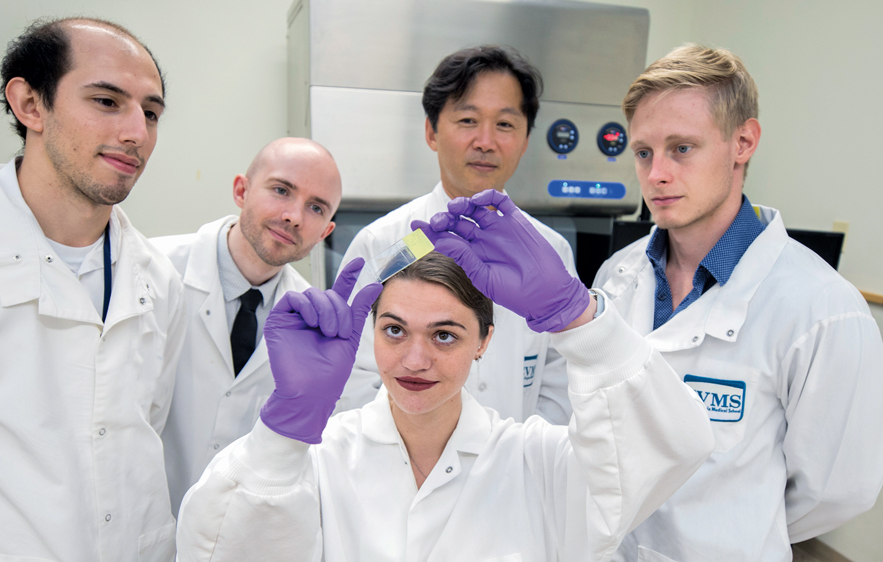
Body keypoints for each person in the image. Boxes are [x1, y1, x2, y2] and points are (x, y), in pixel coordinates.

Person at [175, 190, 714, 561]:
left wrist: (579, 317)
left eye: (445, 335)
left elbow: (675, 445)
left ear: (485, 341)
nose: (414, 360)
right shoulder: (317, 464)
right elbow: (216, 548)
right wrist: (284, 426)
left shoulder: (539, 464)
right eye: (393, 330)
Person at [0, 18, 186, 561]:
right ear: (30, 104)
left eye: (150, 113)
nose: (137, 133)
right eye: (106, 101)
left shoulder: (158, 281)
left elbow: (143, 437)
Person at [592, 44, 883, 562]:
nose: (656, 174)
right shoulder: (617, 277)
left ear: (743, 142)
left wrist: (738, 525)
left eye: (682, 148)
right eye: (643, 152)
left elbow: (835, 491)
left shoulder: (822, 308)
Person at [339, 45, 579, 425]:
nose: (485, 141)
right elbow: (353, 375)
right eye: (468, 120)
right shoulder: (384, 244)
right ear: (432, 132)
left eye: (505, 124)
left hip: (514, 471)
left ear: (525, 140)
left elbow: (560, 377)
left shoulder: (551, 249)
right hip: (405, 472)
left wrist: (525, 459)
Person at [152, 138, 371, 515]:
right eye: (282, 190)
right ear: (242, 190)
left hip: (236, 536)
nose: (294, 216)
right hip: (137, 529)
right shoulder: (152, 270)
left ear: (325, 231)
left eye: (315, 208)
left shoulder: (316, 326)